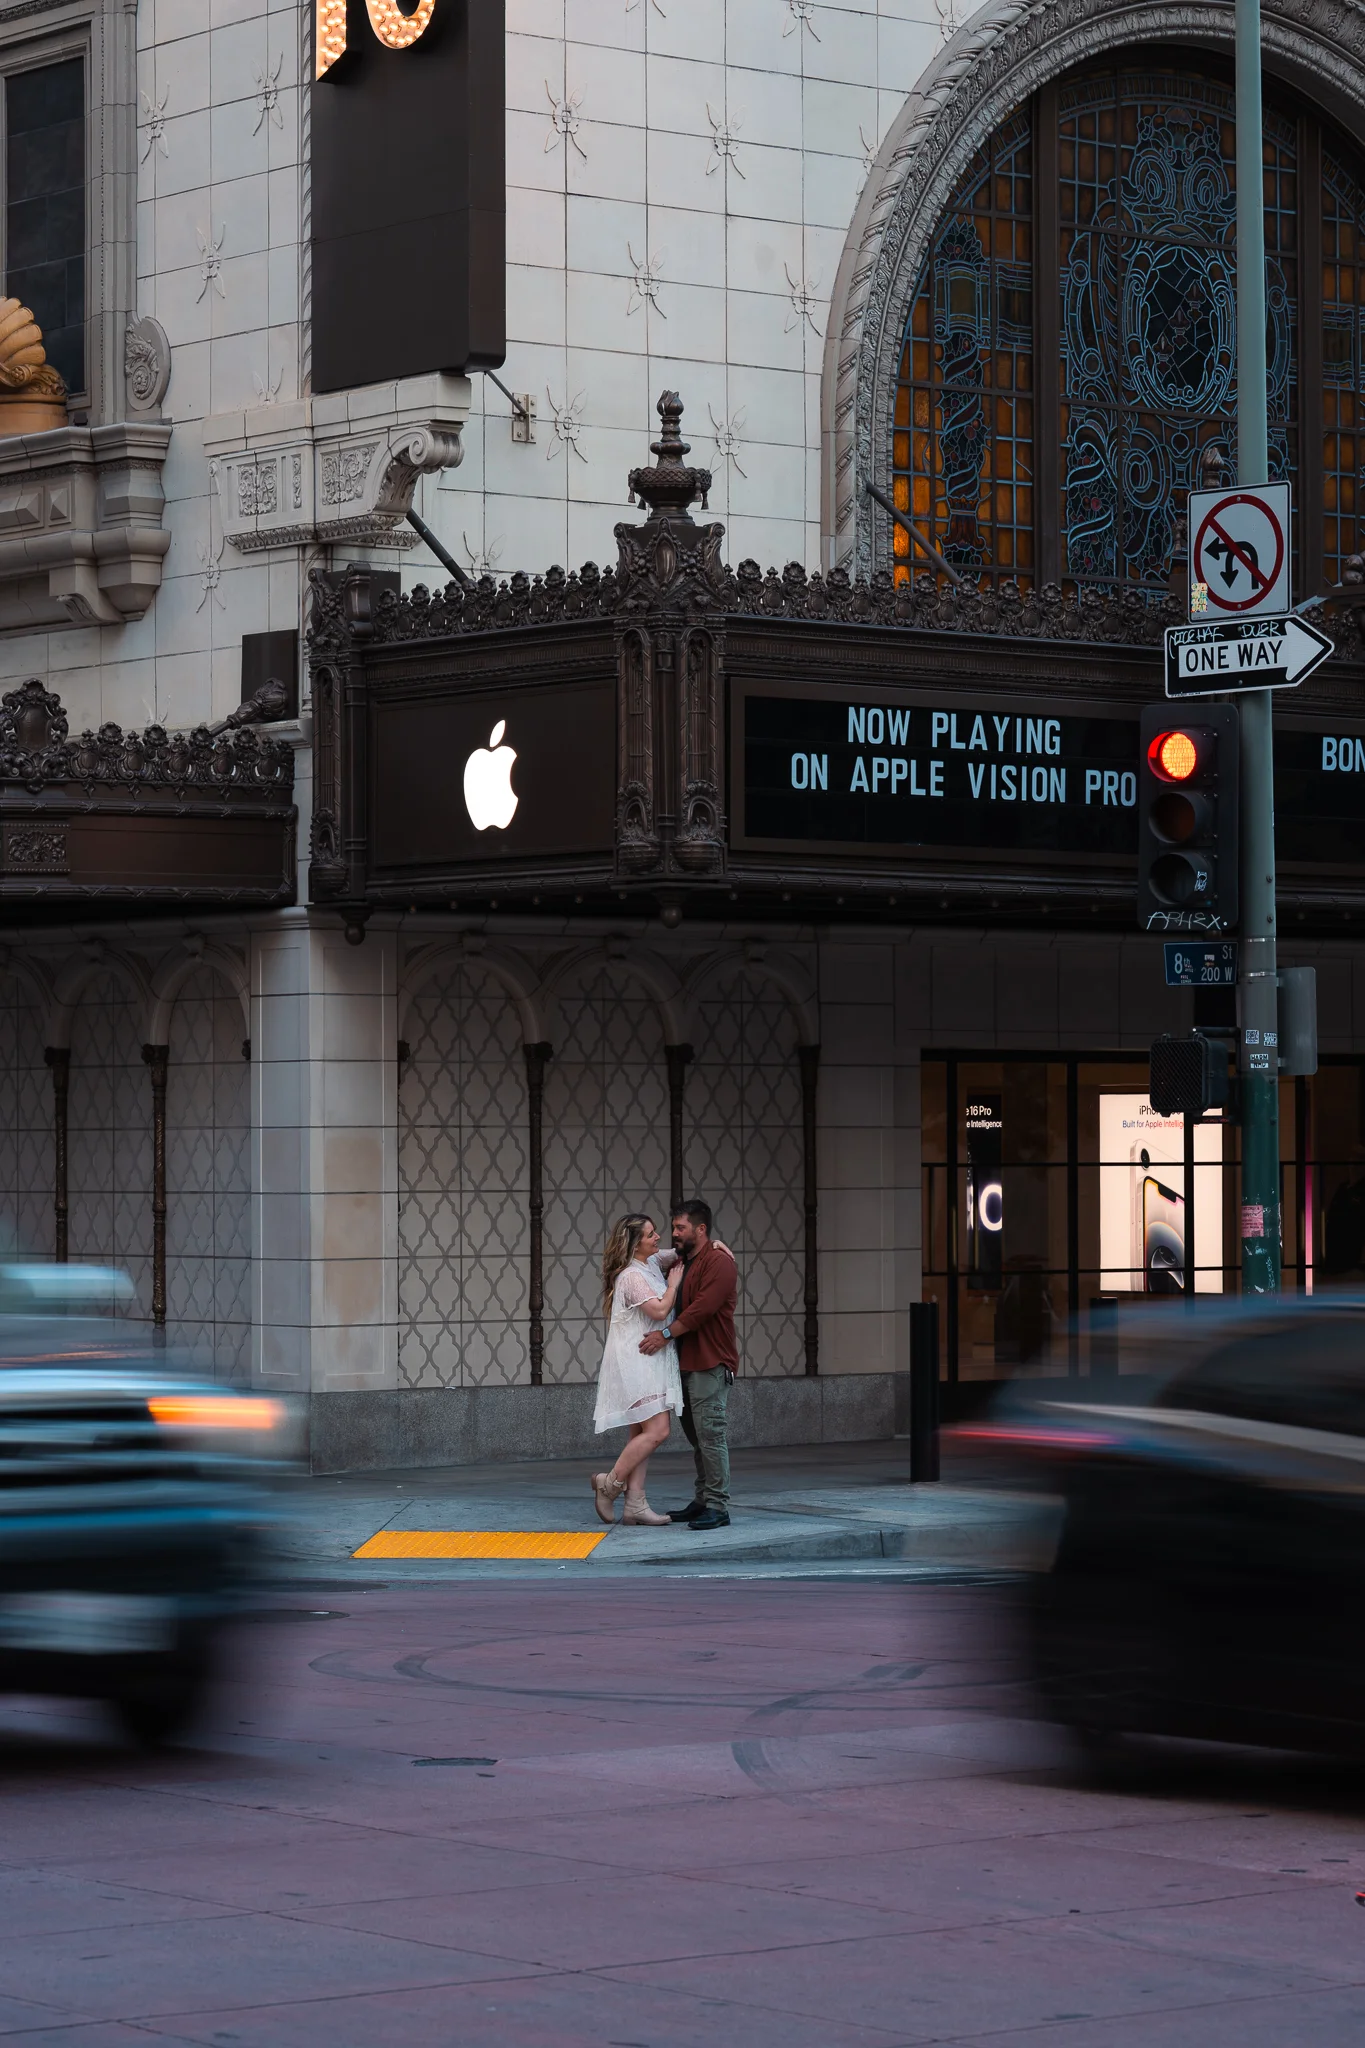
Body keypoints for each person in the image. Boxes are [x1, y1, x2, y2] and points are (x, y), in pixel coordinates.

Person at [640, 1199, 736, 1530]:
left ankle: (719, 1506)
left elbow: (700, 1311)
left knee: (711, 1435)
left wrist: (664, 1335)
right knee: (698, 1439)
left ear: (701, 1229)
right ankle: (702, 1500)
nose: (674, 1234)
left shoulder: (719, 1263)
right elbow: (641, 1257)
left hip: (710, 1362)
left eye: (681, 1228)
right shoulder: (681, 1261)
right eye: (674, 1228)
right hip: (684, 1364)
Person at [590, 1213, 685, 1525]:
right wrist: (673, 1285)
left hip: (649, 1360)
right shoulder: (632, 1276)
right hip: (637, 1362)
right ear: (634, 1245)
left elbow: (679, 1251)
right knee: (658, 1430)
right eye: (650, 1235)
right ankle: (610, 1485)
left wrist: (711, 1243)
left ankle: (636, 1504)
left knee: (641, 1433)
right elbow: (658, 1310)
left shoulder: (650, 1263)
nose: (658, 1238)